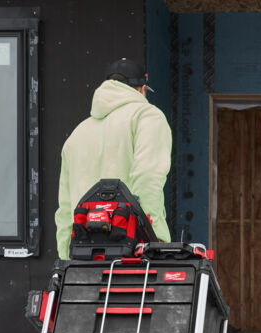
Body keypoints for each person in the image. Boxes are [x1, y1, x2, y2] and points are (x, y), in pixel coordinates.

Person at [54, 58, 172, 259]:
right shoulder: (147, 117)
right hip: (130, 248)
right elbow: (148, 179)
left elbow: (65, 209)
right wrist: (154, 242)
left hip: (84, 253)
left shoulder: (77, 134)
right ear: (142, 89)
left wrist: (65, 258)